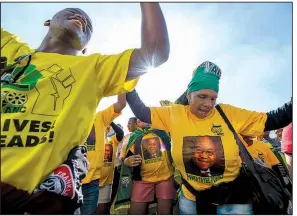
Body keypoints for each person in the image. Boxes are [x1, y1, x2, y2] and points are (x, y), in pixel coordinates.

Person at [1, 3, 170, 214]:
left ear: (84, 48)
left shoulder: (93, 69)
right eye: (72, 12)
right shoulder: (10, 49)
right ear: (48, 23)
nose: (81, 18)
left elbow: (155, 51)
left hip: (36, 201)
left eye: (88, 25)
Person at [125, 61, 292, 214]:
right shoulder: (174, 114)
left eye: (213, 98)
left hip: (233, 201)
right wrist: (128, 85)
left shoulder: (227, 113)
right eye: (202, 97)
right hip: (192, 201)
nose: (208, 104)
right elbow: (142, 112)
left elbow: (273, 119)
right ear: (189, 95)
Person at [80, 94, 126, 214]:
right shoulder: (69, 118)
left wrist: (122, 83)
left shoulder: (100, 117)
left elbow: (121, 104)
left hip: (93, 182)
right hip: (72, 180)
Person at [122, 119, 175, 215]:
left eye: (143, 115)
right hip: (142, 180)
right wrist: (127, 161)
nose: (140, 119)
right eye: (138, 118)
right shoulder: (134, 136)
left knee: (165, 211)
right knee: (136, 211)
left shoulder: (163, 131)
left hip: (165, 178)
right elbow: (126, 158)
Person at [97, 122, 124, 215]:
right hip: (91, 181)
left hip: (106, 182)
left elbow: (121, 133)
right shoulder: (92, 140)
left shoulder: (112, 141)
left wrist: (110, 121)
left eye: (105, 128)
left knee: (102, 209)